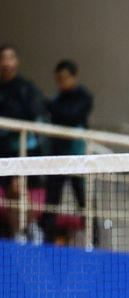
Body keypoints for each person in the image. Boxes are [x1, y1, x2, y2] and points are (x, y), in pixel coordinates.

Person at [39, 59, 93, 243]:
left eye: (64, 78)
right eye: (58, 79)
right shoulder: (57, 99)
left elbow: (71, 116)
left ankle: (94, 241)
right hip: (57, 157)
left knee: (84, 200)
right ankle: (46, 242)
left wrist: (51, 107)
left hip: (78, 157)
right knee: (52, 201)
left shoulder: (83, 97)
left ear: (74, 77)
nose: (61, 82)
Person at [0, 45, 45, 236]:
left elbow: (32, 115)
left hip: (23, 148)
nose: (6, 62)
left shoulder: (26, 88)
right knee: (9, 194)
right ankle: (17, 233)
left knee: (18, 188)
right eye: (3, 58)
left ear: (16, 61)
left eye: (10, 57)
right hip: (3, 149)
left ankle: (32, 228)